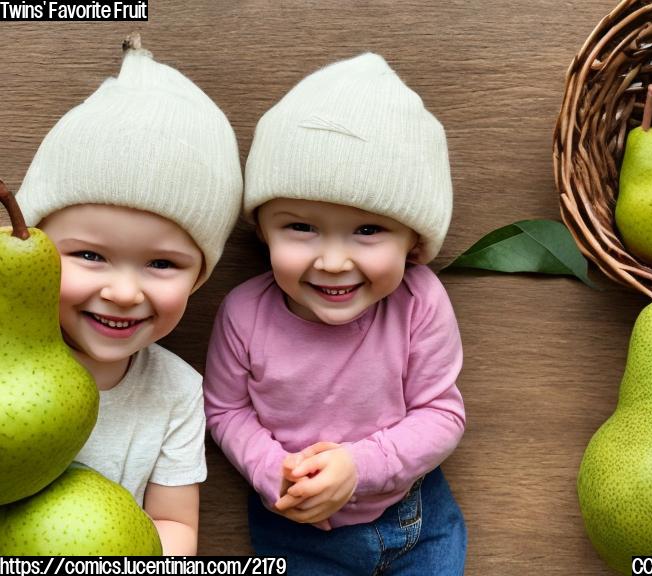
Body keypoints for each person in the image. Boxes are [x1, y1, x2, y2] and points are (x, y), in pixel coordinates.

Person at [203, 52, 466, 575]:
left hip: (415, 519)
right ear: (262, 230)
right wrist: (271, 469)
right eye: (300, 227)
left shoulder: (419, 302)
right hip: (297, 531)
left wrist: (358, 465)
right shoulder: (243, 313)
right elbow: (226, 412)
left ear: (414, 241)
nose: (332, 261)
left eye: (368, 230)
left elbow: (442, 415)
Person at [15, 35, 243, 555]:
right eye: (90, 256)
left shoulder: (177, 392)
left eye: (161, 264)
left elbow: (174, 525)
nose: (122, 292)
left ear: (199, 278)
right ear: (38, 252)